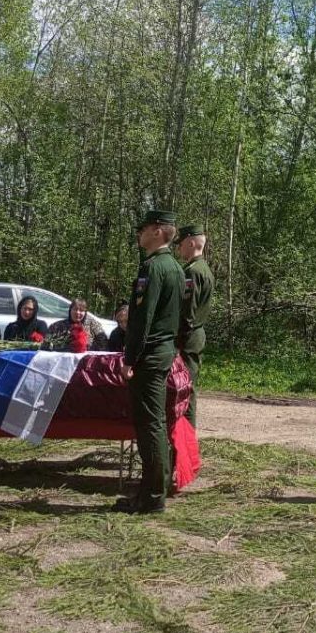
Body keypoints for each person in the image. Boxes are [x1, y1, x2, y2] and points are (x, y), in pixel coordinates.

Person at [114, 209, 184, 515]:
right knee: (156, 423)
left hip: (150, 354)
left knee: (149, 425)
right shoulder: (175, 268)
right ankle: (156, 487)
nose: (138, 233)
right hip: (163, 351)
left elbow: (142, 319)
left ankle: (152, 495)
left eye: (143, 229)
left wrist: (130, 358)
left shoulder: (152, 268)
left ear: (158, 231)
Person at [176, 224, 214, 427]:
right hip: (193, 335)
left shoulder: (193, 271)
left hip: (188, 337)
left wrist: (176, 339)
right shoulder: (202, 268)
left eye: (181, 244)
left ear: (191, 242)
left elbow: (187, 311)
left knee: (185, 390)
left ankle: (185, 443)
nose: (179, 249)